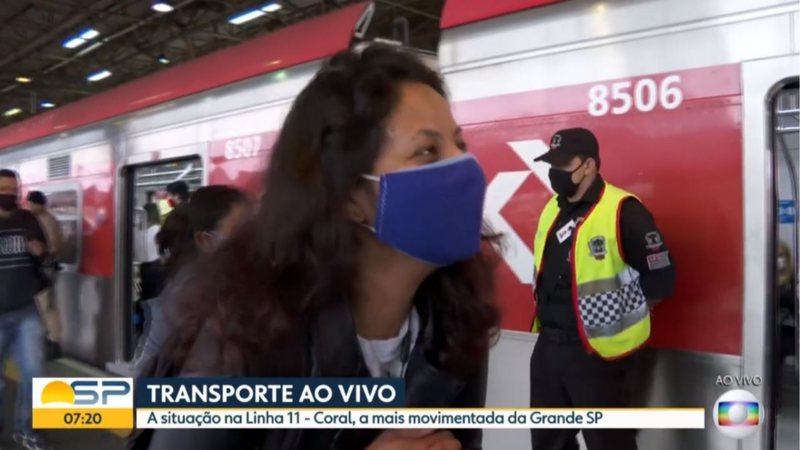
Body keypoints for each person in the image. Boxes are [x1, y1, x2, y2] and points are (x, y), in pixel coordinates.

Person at [141, 45, 499, 450]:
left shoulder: (455, 327)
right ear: (349, 197)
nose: (467, 167)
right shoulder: (245, 334)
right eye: (427, 151)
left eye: (460, 145)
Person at [528, 128, 676, 450]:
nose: (556, 173)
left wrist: (620, 313)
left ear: (589, 166)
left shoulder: (624, 210)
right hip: (548, 347)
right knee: (548, 441)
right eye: (552, 164)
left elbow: (661, 278)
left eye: (564, 165)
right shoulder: (552, 209)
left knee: (609, 443)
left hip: (599, 354)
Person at [133, 185, 249, 375]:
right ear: (205, 240)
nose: (252, 243)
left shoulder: (248, 290)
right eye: (240, 235)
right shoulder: (179, 300)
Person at [0, 170, 48, 450]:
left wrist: (40, 251)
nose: (10, 194)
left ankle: (27, 430)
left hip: (25, 310)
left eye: (13, 189)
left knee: (34, 372)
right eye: (4, 189)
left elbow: (44, 255)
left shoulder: (26, 219)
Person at [26, 190, 64, 360]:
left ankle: (51, 343)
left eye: (30, 203)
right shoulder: (49, 219)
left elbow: (53, 247)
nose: (29, 206)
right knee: (48, 306)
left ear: (37, 203)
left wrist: (39, 255)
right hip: (48, 268)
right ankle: (52, 340)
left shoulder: (44, 221)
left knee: (44, 307)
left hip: (44, 268)